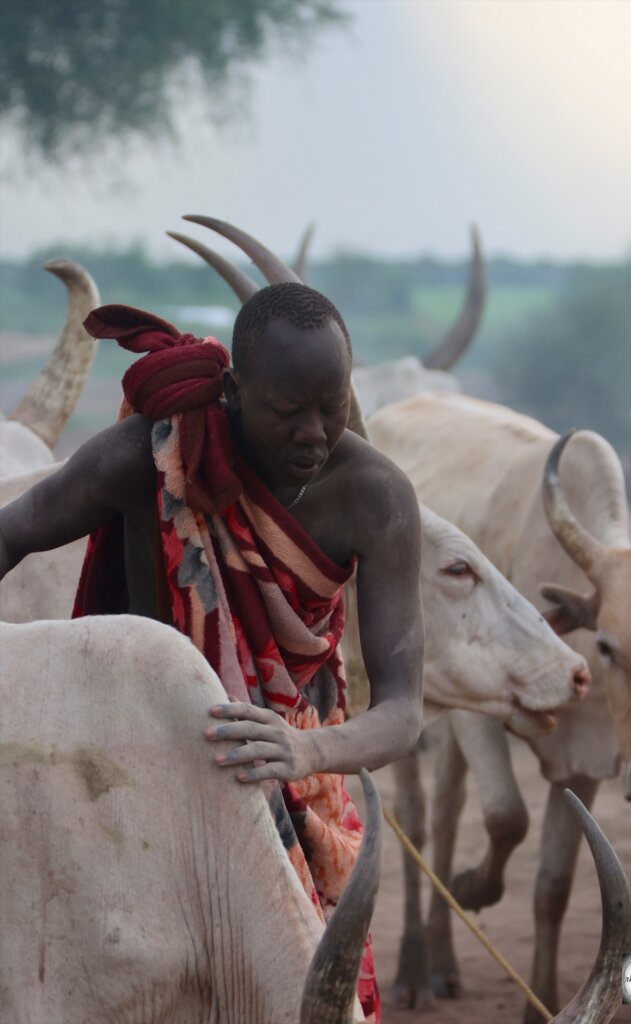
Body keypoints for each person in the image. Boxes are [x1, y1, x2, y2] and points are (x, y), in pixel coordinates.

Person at [0, 282, 424, 1021]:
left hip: (296, 770)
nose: (313, 434)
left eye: (331, 406)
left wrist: (301, 750)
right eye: (286, 411)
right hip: (139, 772)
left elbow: (403, 711)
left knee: (301, 987)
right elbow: (10, 534)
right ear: (234, 390)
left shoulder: (376, 496)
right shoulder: (152, 458)